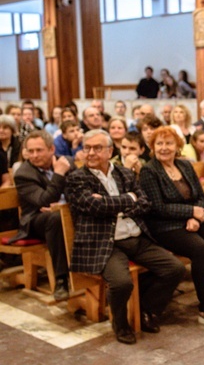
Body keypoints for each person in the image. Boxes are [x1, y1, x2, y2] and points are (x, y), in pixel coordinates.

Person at [65, 129, 186, 344]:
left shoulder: (125, 174)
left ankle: (146, 310)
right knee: (122, 283)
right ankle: (120, 325)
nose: (91, 153)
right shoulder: (77, 178)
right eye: (87, 148)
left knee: (174, 269)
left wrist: (113, 203)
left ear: (110, 150)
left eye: (97, 148)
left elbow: (145, 203)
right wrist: (128, 199)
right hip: (105, 243)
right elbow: (94, 205)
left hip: (136, 237)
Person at [139, 126, 204, 327]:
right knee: (201, 250)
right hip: (164, 226)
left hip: (193, 219)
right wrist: (189, 213)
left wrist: (196, 217)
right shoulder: (149, 170)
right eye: (159, 144)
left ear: (177, 146)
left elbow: (200, 197)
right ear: (153, 147)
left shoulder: (185, 166)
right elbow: (156, 207)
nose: (164, 148)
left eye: (169, 143)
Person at [12, 130, 74, 301]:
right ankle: (61, 280)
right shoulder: (24, 174)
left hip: (64, 211)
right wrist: (59, 174)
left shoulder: (65, 162)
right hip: (35, 220)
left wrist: (64, 206)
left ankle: (89, 272)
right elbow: (44, 201)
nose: (34, 155)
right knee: (55, 219)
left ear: (51, 149)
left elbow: (76, 191)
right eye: (30, 151)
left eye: (39, 150)